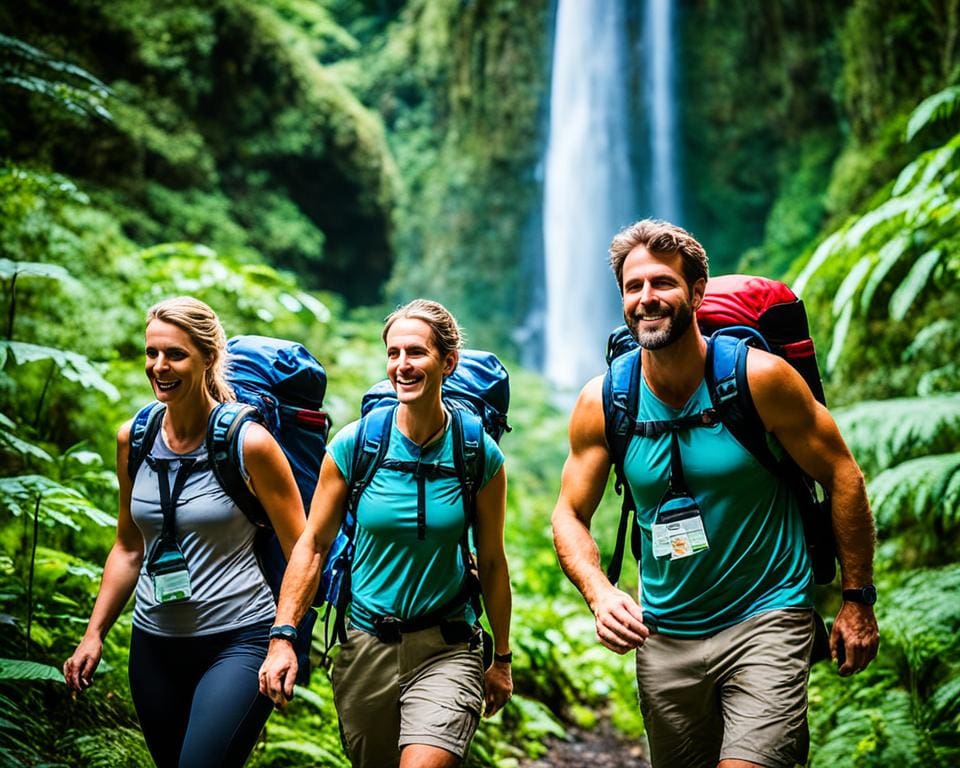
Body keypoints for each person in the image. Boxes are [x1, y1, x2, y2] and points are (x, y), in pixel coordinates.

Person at [551, 219, 880, 768]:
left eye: (662, 283)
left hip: (768, 618)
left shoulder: (761, 379)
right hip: (664, 636)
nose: (646, 299)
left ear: (697, 293)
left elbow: (842, 473)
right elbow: (569, 513)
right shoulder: (605, 400)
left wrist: (857, 599)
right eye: (633, 287)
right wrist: (600, 593)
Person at [259, 299, 513, 768]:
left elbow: (492, 561)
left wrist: (501, 658)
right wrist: (283, 638)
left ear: (447, 362)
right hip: (365, 645)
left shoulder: (478, 453)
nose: (402, 365)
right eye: (393, 354)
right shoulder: (355, 445)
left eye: (415, 353)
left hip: (449, 645)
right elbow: (312, 546)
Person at [63, 297, 306, 768]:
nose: (159, 366)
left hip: (239, 639)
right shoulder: (133, 437)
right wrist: (93, 634)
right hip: (153, 644)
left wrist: (284, 638)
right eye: (152, 353)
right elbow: (129, 547)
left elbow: (304, 549)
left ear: (208, 357)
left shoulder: (249, 443)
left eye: (175, 354)